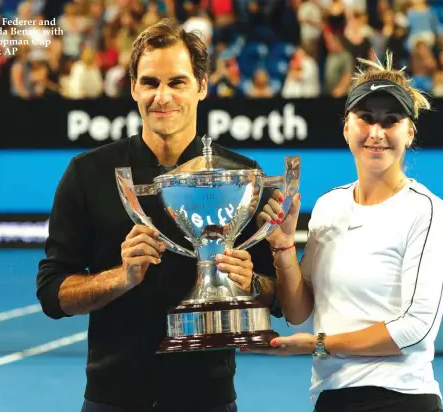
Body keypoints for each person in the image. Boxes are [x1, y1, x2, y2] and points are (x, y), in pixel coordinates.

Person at [36, 18, 280, 412]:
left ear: (201, 86)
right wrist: (122, 277)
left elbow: (278, 297)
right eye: (150, 82)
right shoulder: (89, 173)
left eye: (177, 82)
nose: (161, 96)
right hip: (112, 397)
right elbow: (52, 293)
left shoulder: (241, 178)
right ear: (133, 87)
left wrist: (249, 280)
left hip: (208, 399)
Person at [251, 51, 443, 412]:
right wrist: (283, 248)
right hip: (331, 397)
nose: (376, 132)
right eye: (365, 118)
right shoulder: (329, 206)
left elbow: (415, 330)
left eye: (391, 121)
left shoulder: (425, 210)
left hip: (401, 399)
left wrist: (318, 344)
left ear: (409, 132)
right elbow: (299, 311)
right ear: (347, 127)